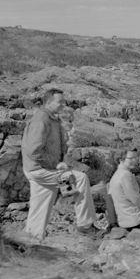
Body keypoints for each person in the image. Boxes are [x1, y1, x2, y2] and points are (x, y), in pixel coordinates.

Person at [20, 87, 96, 240]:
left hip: (40, 169)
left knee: (41, 203)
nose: (63, 104)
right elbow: (33, 151)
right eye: (60, 102)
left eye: (64, 101)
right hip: (40, 170)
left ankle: (32, 237)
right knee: (79, 179)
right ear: (48, 102)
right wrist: (55, 165)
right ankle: (85, 226)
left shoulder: (51, 118)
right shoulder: (41, 119)